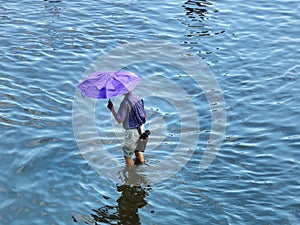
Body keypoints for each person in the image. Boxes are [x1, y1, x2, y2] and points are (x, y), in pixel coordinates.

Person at [107, 92, 149, 166]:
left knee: (128, 155)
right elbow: (144, 115)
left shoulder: (125, 102)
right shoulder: (138, 97)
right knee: (138, 150)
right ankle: (142, 166)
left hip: (132, 132)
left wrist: (112, 109)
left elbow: (119, 120)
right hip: (142, 129)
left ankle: (131, 174)